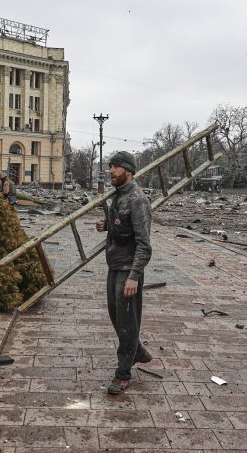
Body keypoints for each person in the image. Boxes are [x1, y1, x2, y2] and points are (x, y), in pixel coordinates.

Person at [95, 151, 153, 395]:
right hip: (114, 265)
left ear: (128, 171)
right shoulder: (118, 197)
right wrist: (107, 225)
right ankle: (137, 351)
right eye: (110, 167)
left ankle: (123, 373)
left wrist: (134, 277)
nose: (111, 171)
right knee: (116, 317)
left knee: (127, 322)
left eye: (115, 167)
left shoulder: (138, 200)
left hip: (128, 270)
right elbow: (123, 226)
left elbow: (144, 244)